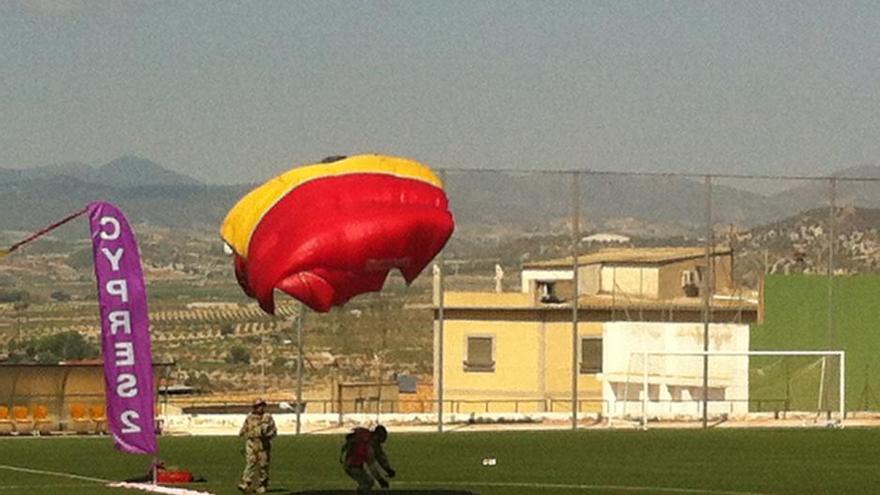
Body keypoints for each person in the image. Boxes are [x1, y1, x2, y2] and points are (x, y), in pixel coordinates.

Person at [340, 425, 396, 492]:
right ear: (378, 436)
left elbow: (380, 456)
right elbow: (371, 464)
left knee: (367, 482)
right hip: (352, 466)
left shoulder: (370, 440)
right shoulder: (369, 445)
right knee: (367, 483)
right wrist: (380, 479)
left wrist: (387, 469)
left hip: (353, 465)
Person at [237, 398, 277, 494]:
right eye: (258, 406)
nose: (260, 408)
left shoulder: (267, 417)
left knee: (263, 465)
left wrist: (268, 435)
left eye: (262, 406)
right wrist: (243, 432)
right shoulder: (250, 417)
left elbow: (274, 431)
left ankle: (262, 484)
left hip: (263, 444)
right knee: (250, 463)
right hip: (251, 443)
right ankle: (246, 483)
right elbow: (245, 428)